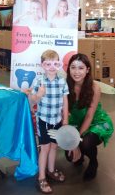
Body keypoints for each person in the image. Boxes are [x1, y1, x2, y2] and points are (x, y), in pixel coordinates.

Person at [65, 53, 114, 180]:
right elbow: (63, 113)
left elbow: (89, 115)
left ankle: (93, 162)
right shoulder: (65, 86)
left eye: (81, 68)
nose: (76, 72)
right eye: (73, 67)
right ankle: (80, 155)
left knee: (85, 142)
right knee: (70, 157)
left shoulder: (94, 88)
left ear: (87, 70)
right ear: (68, 68)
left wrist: (76, 140)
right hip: (75, 121)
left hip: (95, 121)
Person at [29, 50, 69, 194]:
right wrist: (38, 95)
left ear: (59, 64)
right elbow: (31, 100)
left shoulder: (62, 81)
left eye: (55, 63)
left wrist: (65, 119)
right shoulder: (39, 81)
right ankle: (41, 177)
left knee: (54, 146)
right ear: (42, 65)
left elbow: (65, 100)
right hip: (44, 121)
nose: (52, 67)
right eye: (48, 64)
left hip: (57, 121)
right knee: (45, 148)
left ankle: (51, 170)